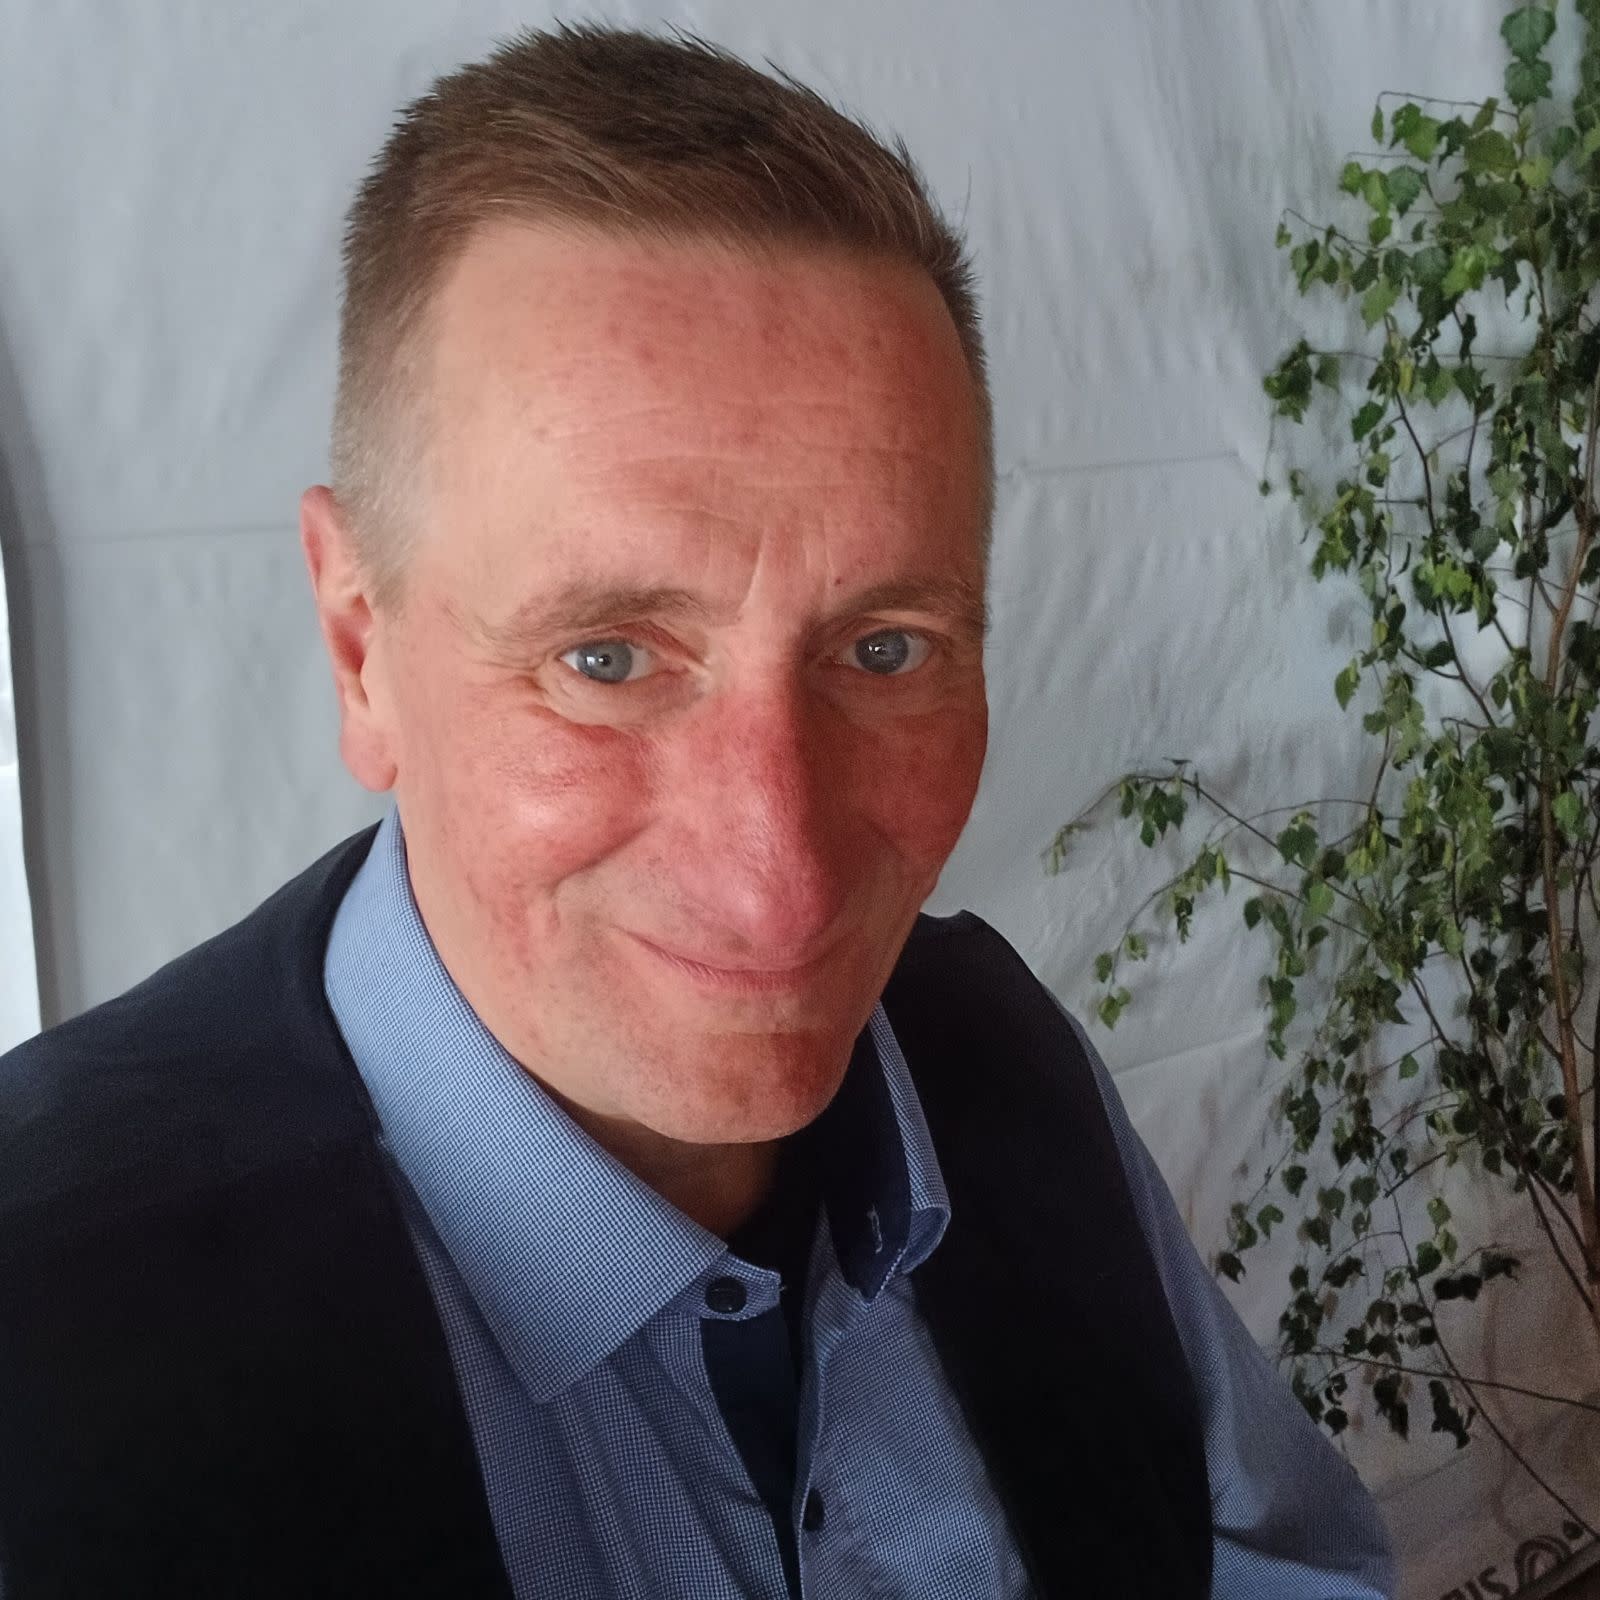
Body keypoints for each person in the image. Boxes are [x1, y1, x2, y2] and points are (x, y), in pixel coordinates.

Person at [0, 22, 1395, 1600]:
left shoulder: (1001, 1065)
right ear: (358, 644)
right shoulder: (42, 1359)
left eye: (885, 649)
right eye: (606, 659)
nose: (778, 872)